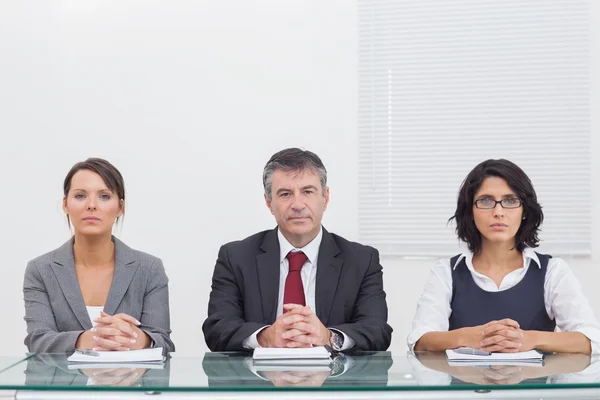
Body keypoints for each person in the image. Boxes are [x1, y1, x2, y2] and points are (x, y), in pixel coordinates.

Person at [203, 148, 392, 352]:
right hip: (260, 380)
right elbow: (217, 329)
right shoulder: (236, 257)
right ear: (269, 203)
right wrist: (265, 337)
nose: (298, 204)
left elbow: (377, 330)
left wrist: (329, 337)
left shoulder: (361, 260)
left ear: (325, 198)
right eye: (285, 194)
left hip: (333, 381)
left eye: (308, 192)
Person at [408, 159, 600, 354]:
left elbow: (591, 340)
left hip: (536, 384)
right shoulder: (446, 272)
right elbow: (421, 340)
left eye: (510, 201)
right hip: (465, 384)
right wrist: (472, 337)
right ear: (470, 211)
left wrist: (530, 338)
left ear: (524, 210)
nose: (498, 212)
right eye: (485, 201)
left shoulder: (552, 270)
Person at [24, 158, 174, 353]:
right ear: (65, 204)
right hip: (64, 383)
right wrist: (89, 338)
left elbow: (164, 343)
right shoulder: (40, 269)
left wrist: (138, 339)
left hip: (127, 382)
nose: (92, 205)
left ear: (120, 207)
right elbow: (38, 341)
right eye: (80, 196)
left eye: (104, 196)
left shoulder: (149, 268)